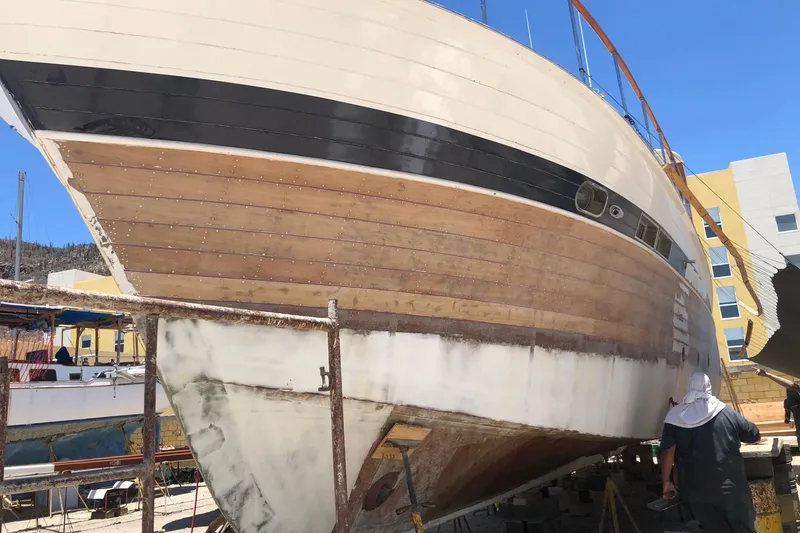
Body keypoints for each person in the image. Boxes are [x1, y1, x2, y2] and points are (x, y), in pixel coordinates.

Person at [659, 371, 760, 533]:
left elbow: (667, 452)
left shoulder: (674, 416)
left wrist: (666, 482)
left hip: (695, 492)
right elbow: (754, 434)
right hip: (731, 489)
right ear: (708, 387)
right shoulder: (725, 412)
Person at [755, 368, 800, 441]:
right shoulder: (791, 401)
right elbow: (793, 387)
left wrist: (768, 375)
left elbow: (787, 417)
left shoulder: (788, 401)